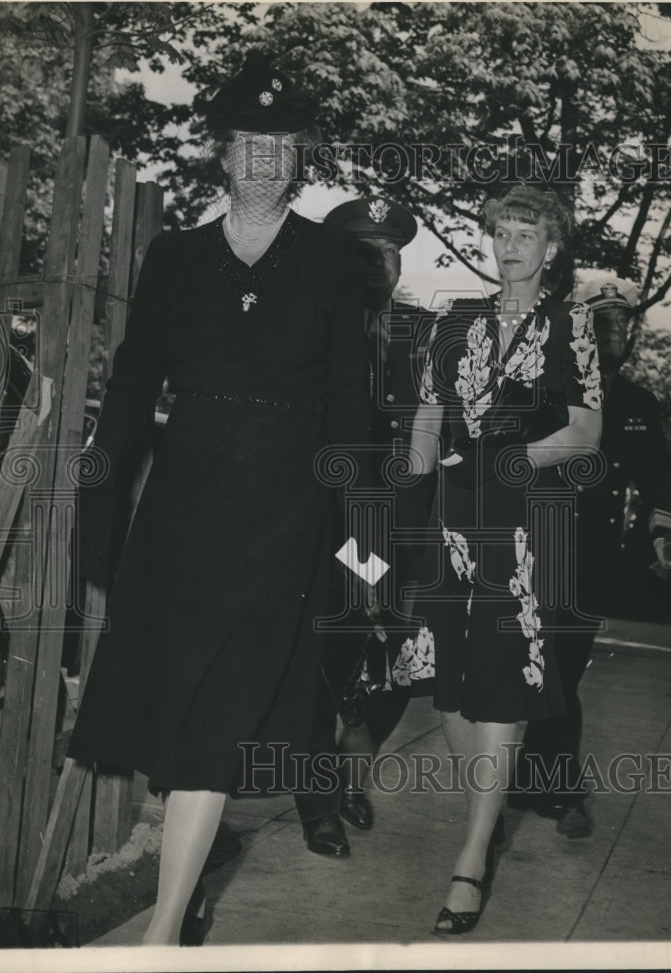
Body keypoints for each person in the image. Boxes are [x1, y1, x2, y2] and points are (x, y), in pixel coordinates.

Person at [67, 53, 370, 946]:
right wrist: (98, 490)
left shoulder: (332, 261)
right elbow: (129, 390)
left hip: (284, 508)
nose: (265, 162)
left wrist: (366, 540)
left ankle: (163, 932)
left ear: (300, 160)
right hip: (186, 505)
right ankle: (187, 886)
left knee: (219, 711)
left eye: (282, 146)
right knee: (183, 701)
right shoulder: (176, 256)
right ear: (222, 155)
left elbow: (352, 404)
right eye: (249, 144)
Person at [404, 185, 603, 934]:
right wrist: (407, 485)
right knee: (451, 691)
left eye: (527, 234)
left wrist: (509, 457)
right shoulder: (454, 321)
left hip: (522, 521)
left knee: (504, 684)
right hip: (450, 519)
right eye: (502, 233)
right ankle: (480, 817)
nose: (511, 245)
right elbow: (427, 409)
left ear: (551, 248)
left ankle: (471, 857)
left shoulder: (569, 325)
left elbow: (584, 433)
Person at [509, 276, 671, 836]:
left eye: (622, 324)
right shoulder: (545, 390)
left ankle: (541, 783)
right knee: (539, 664)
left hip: (594, 557)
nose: (613, 332)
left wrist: (661, 534)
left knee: (563, 666)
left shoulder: (637, 403)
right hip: (538, 541)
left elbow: (658, 480)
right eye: (602, 321)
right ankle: (557, 787)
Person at [293, 196, 435, 854]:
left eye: (390, 250)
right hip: (327, 522)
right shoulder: (310, 326)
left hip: (400, 528)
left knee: (393, 663)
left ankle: (352, 771)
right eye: (363, 250)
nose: (379, 261)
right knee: (329, 653)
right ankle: (320, 800)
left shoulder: (428, 334)